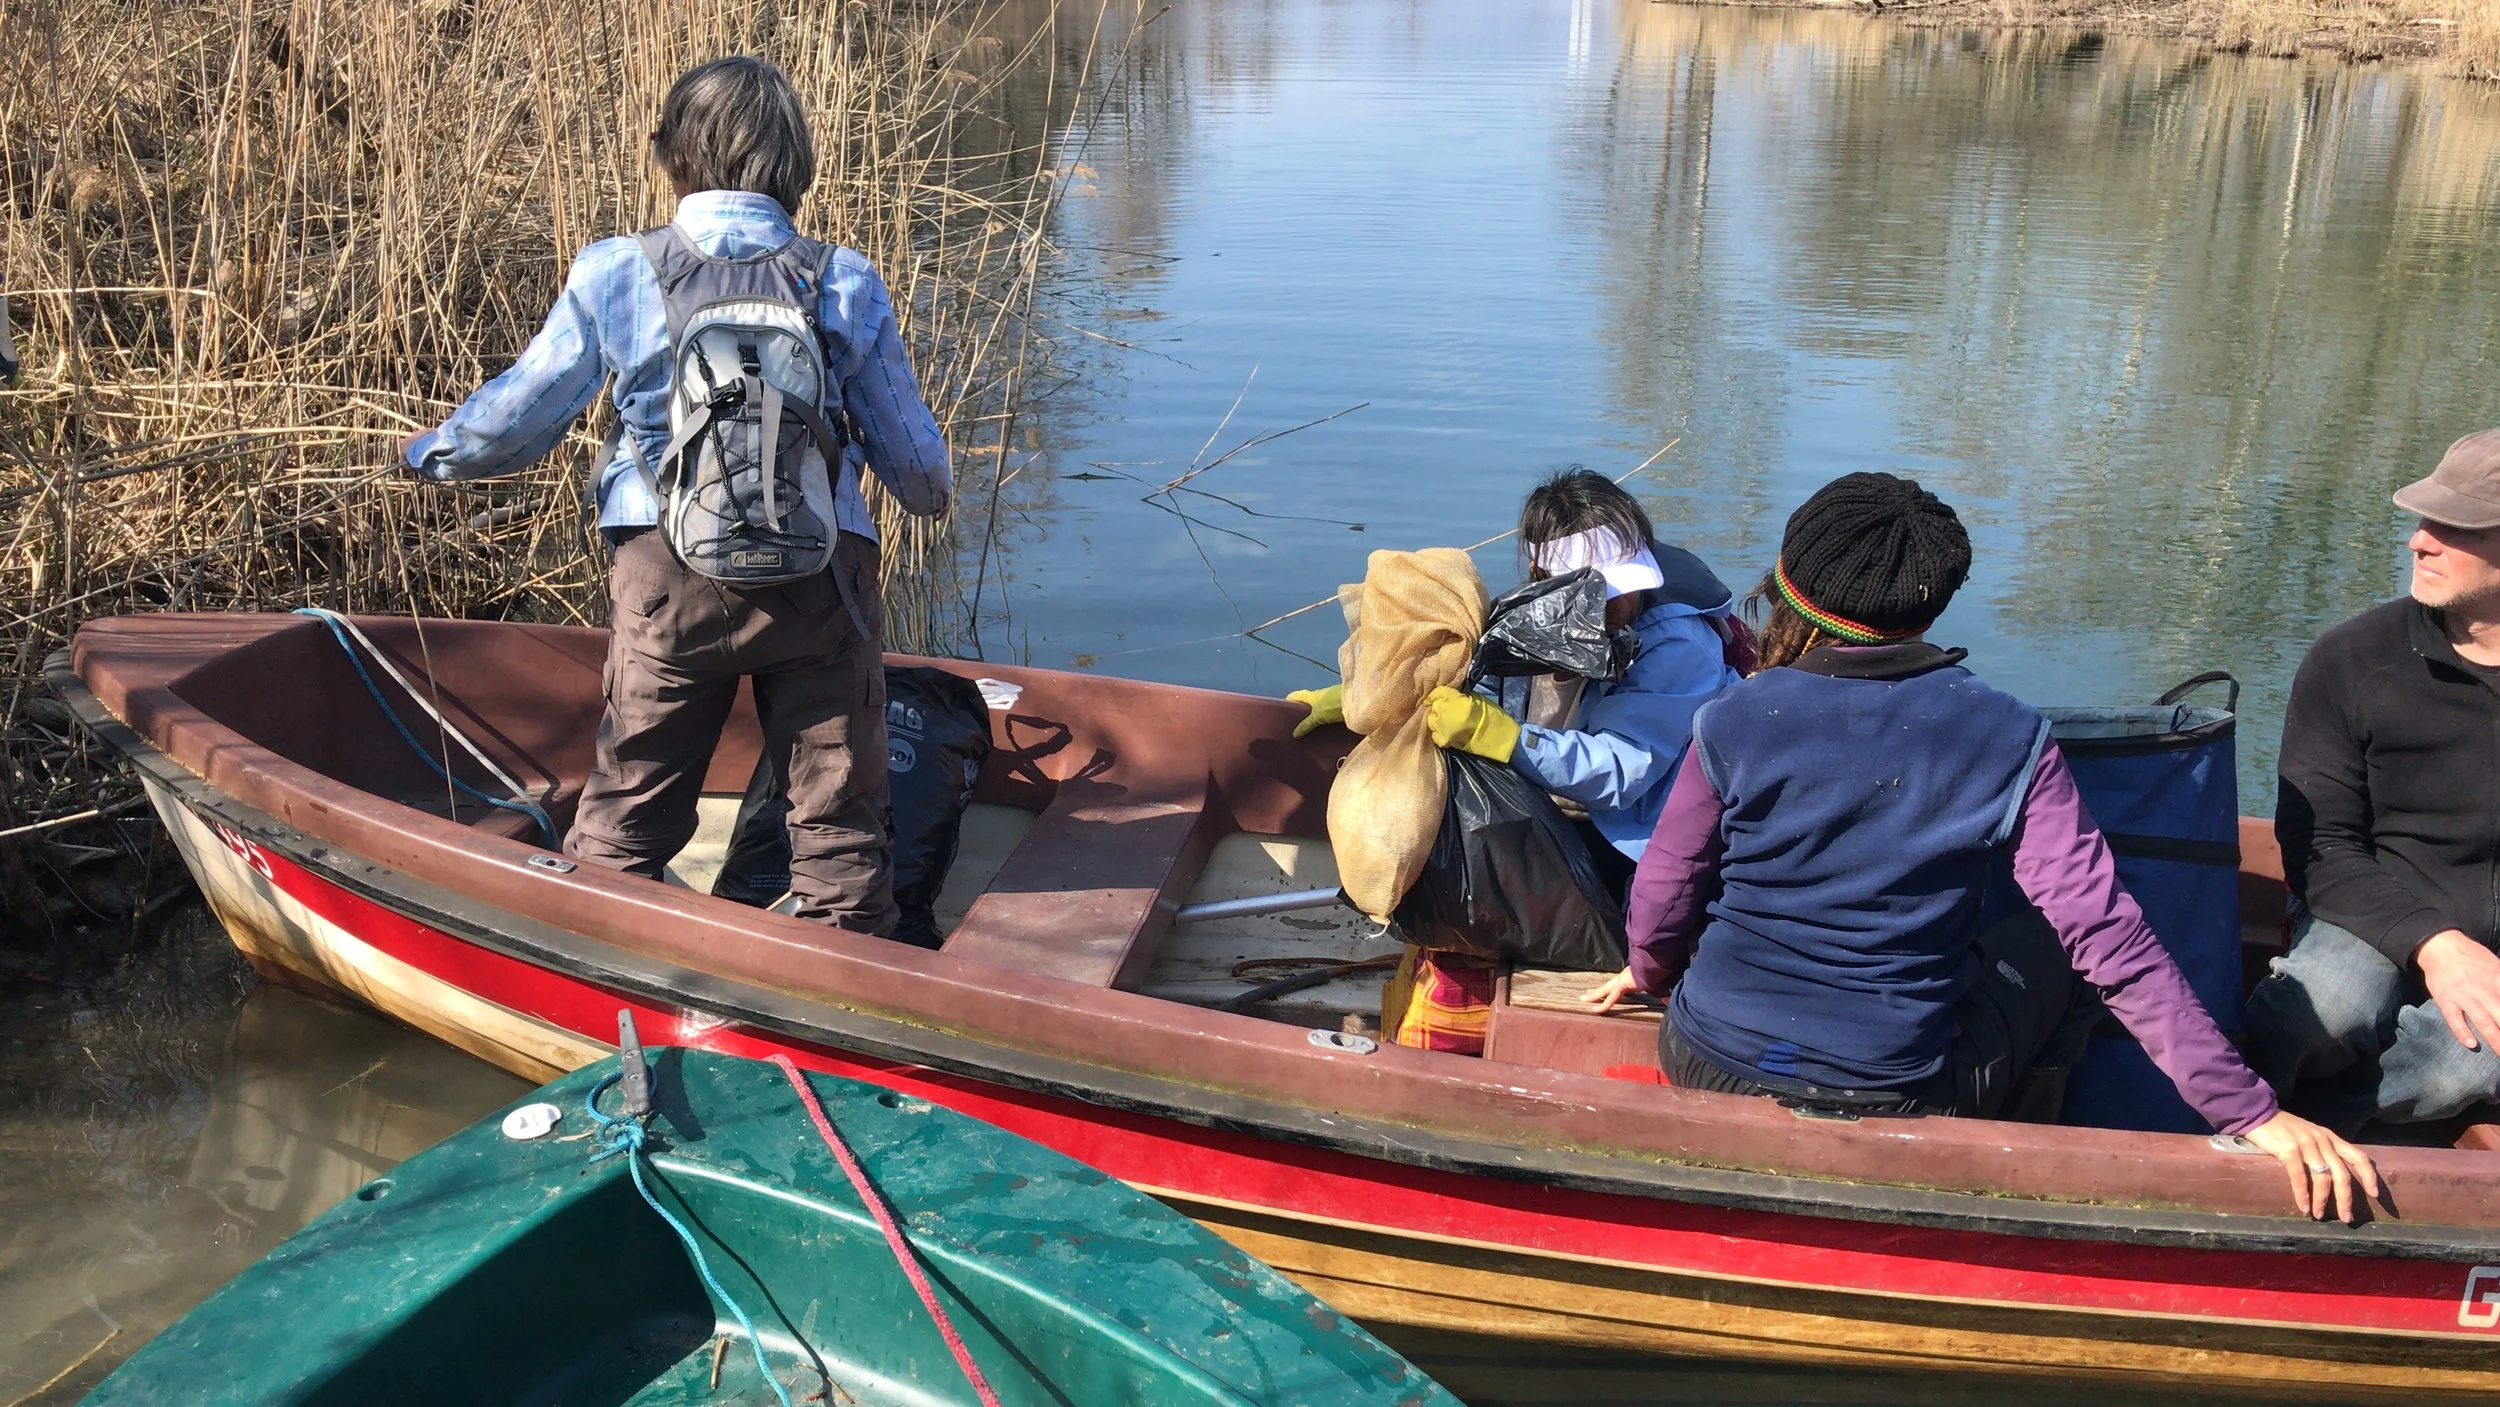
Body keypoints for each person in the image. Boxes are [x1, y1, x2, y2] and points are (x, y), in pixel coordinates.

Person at [1585, 472, 2379, 1223]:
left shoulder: (1733, 717)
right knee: (2055, 949)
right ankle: (2013, 1175)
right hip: (1901, 1089)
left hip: (1706, 1055)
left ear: (1788, 581)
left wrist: (1648, 970)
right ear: (1929, 606)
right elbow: (2107, 935)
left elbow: (1667, 889)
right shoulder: (2007, 734)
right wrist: (2249, 1109)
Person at [402, 57, 950, 936]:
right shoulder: (843, 278)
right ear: (797, 163)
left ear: (668, 152)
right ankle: (847, 986)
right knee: (840, 825)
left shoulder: (617, 271)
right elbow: (918, 472)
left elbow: (519, 420)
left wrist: (428, 456)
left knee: (629, 808)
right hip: (818, 581)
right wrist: (928, 496)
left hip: (668, 578)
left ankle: (599, 961)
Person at [1292, 469, 1746, 893]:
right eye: (1593, 592)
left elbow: (1618, 772)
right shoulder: (1526, 620)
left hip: (1636, 838)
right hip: (1553, 807)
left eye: (1623, 585)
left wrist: (1506, 738)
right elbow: (1467, 684)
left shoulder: (1678, 645)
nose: (1615, 604)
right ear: (1540, 580)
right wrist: (1370, 699)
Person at [2244, 429, 2500, 1134]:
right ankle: (2244, 1111)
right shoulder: (2353, 659)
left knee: (2461, 1067)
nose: (2419, 542)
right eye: (2423, 520)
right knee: (2325, 1007)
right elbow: (2318, 844)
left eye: (2455, 528)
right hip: (2369, 903)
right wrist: (2436, 943)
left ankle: (2328, 1135)